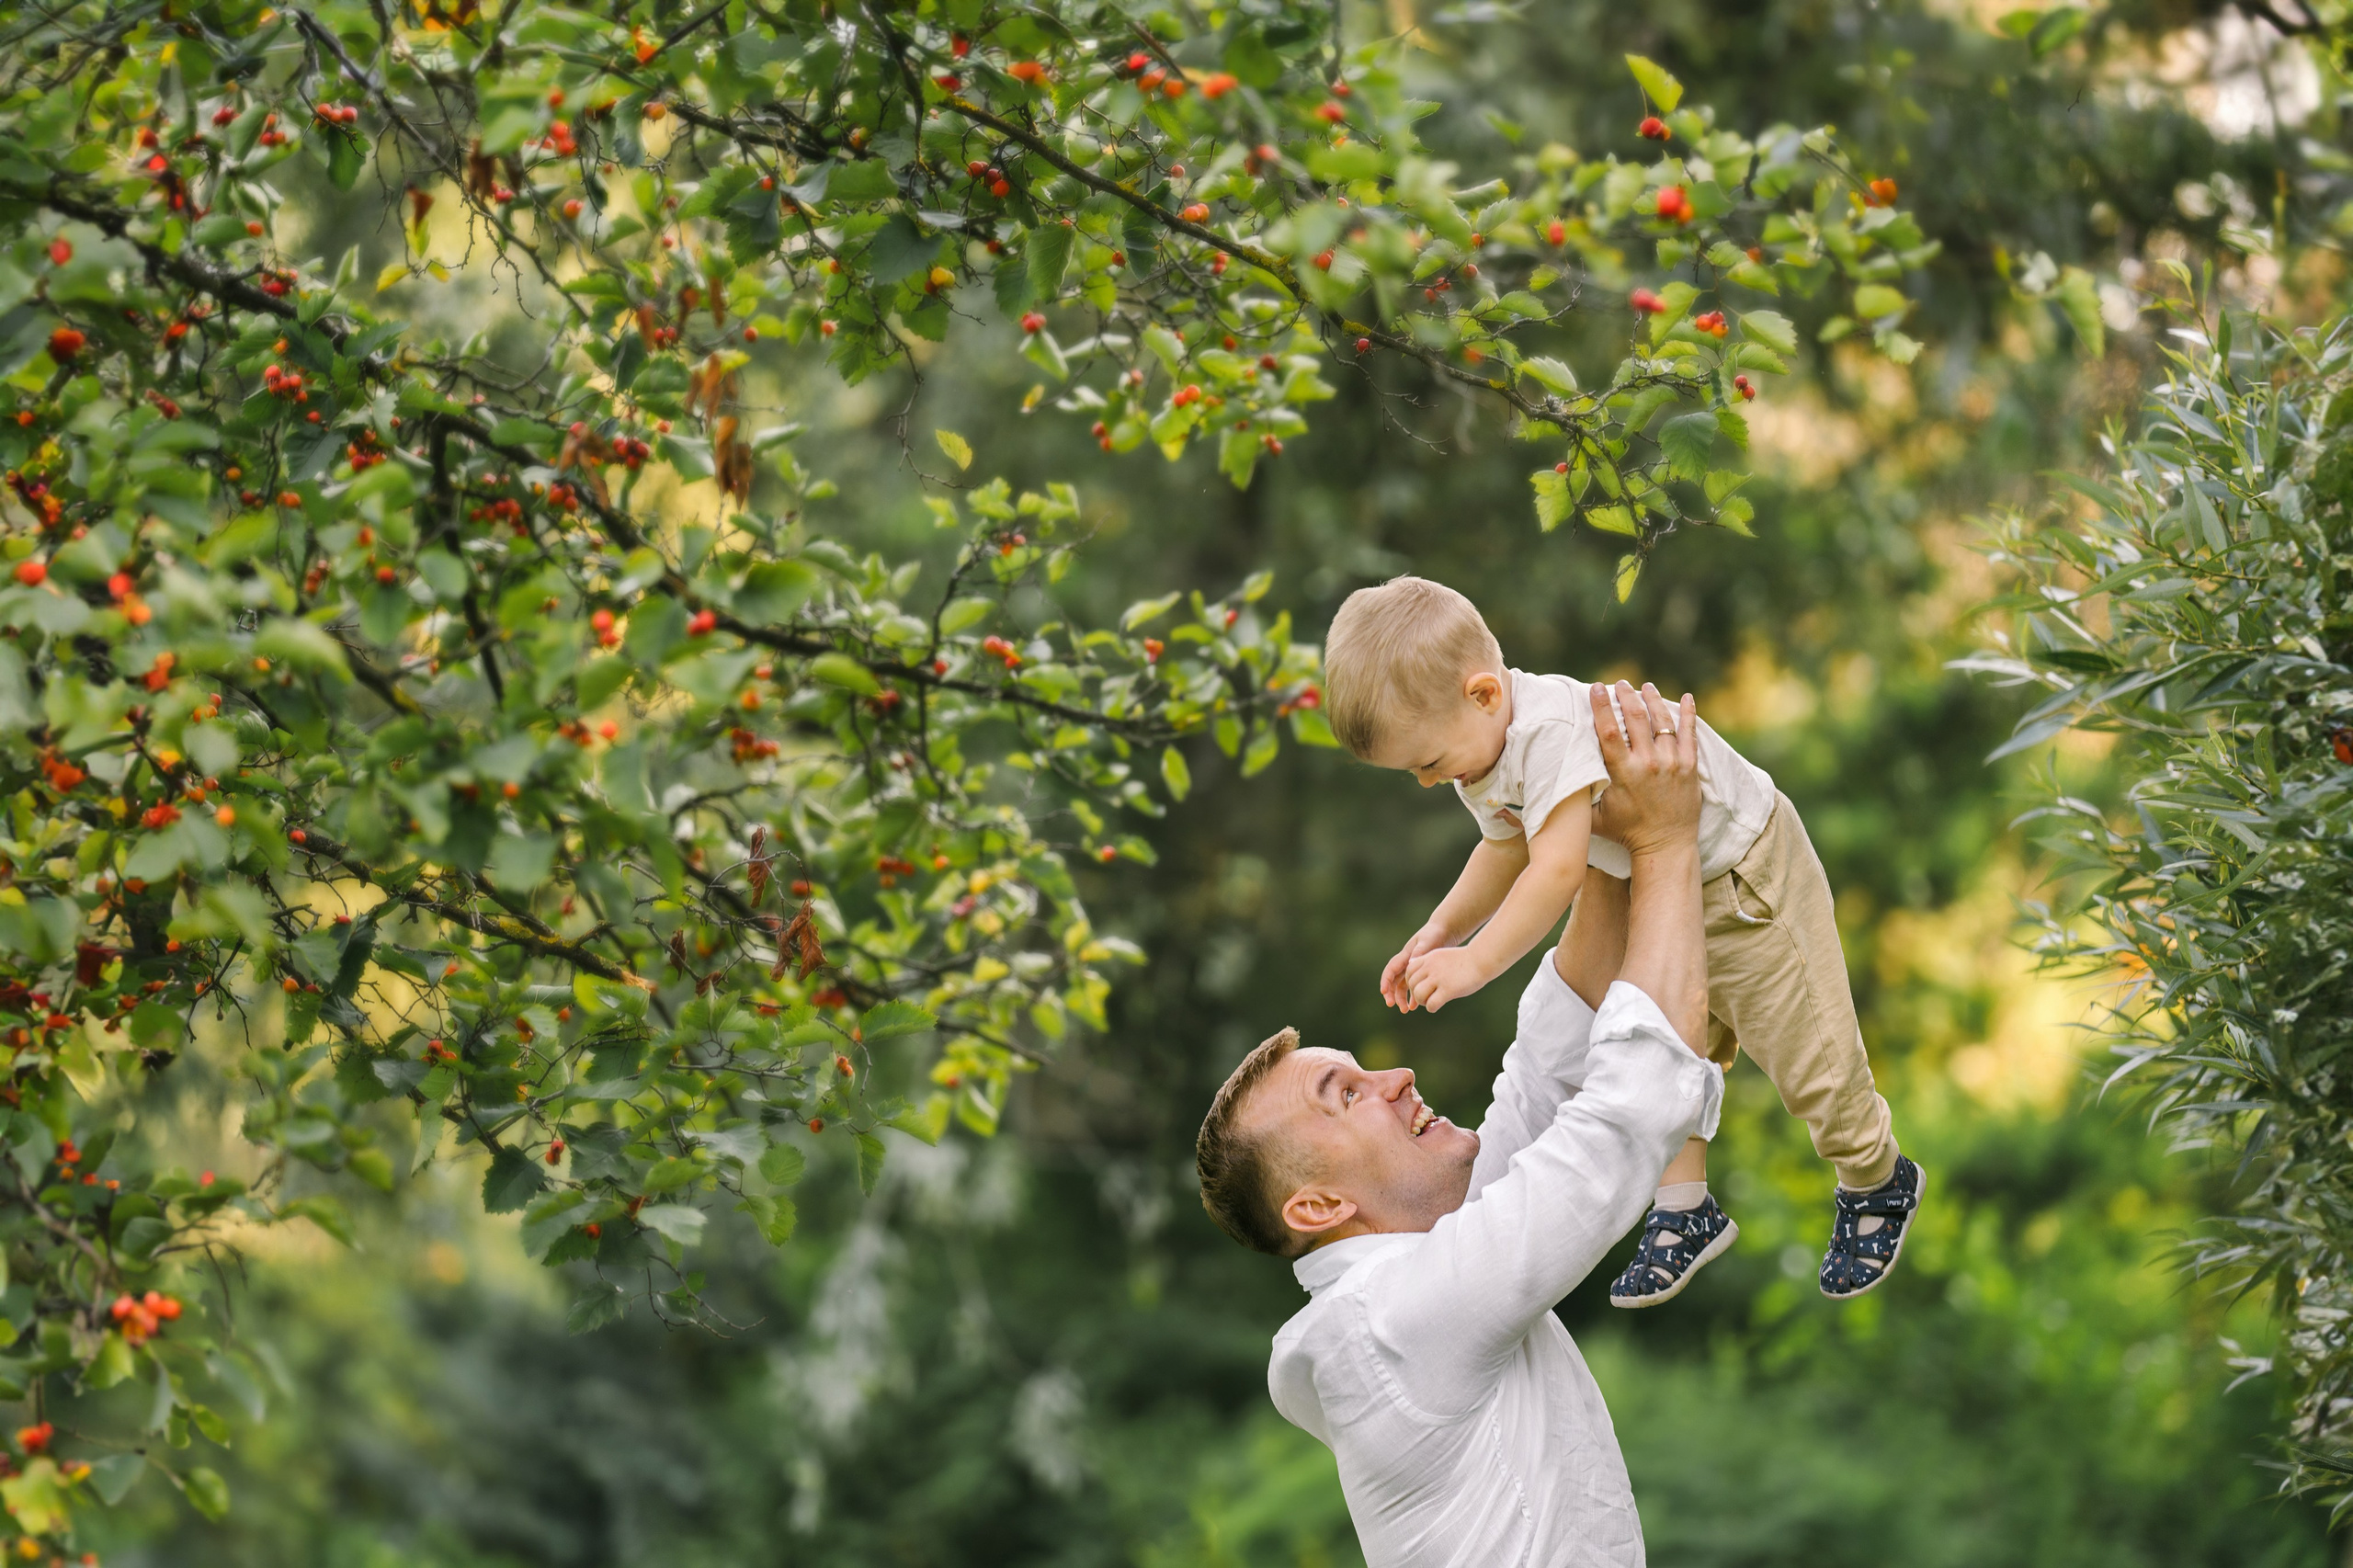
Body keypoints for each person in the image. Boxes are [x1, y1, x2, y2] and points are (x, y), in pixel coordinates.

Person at [1195, 682, 1722, 1566]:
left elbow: (1548, 1071)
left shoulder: (1419, 1275)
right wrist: (1664, 839)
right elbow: (1621, 1120)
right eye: (1348, 1095)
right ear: (1319, 1208)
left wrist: (1580, 801)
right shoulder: (1393, 1329)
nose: (1397, 1077)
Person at [1318, 576, 1920, 1303]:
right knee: (1653, 1042)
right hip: (1661, 885)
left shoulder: (1544, 734)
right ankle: (1685, 1208)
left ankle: (1875, 1176)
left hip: (1744, 877)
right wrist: (1442, 929)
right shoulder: (1481, 744)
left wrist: (1476, 963)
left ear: (1482, 693)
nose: (1425, 782)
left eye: (1427, 763)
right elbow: (1504, 848)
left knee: (1807, 1053)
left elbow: (1558, 867)